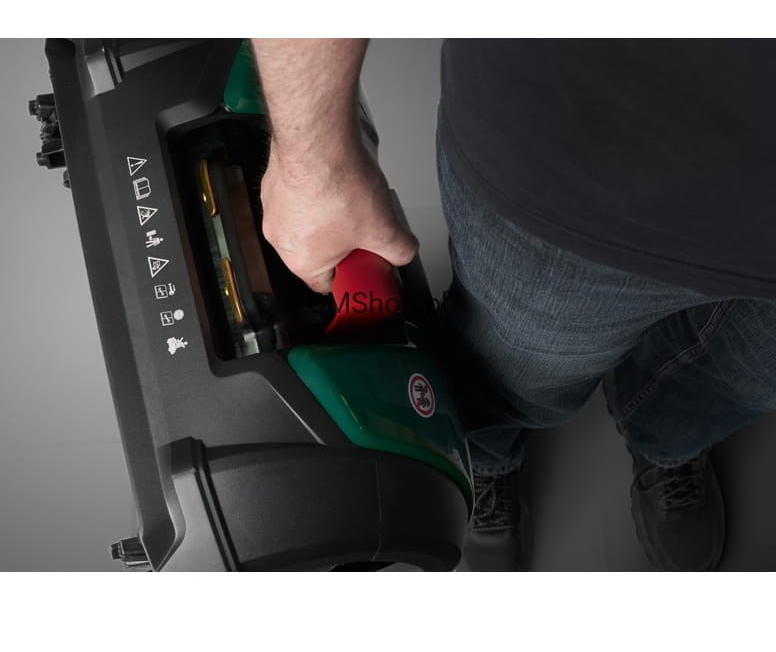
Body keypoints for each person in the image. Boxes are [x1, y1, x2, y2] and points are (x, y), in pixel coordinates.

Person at [250, 38, 776, 572]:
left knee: (740, 380)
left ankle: (670, 444)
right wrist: (314, 162)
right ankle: (485, 460)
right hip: (577, 170)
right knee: (508, 377)